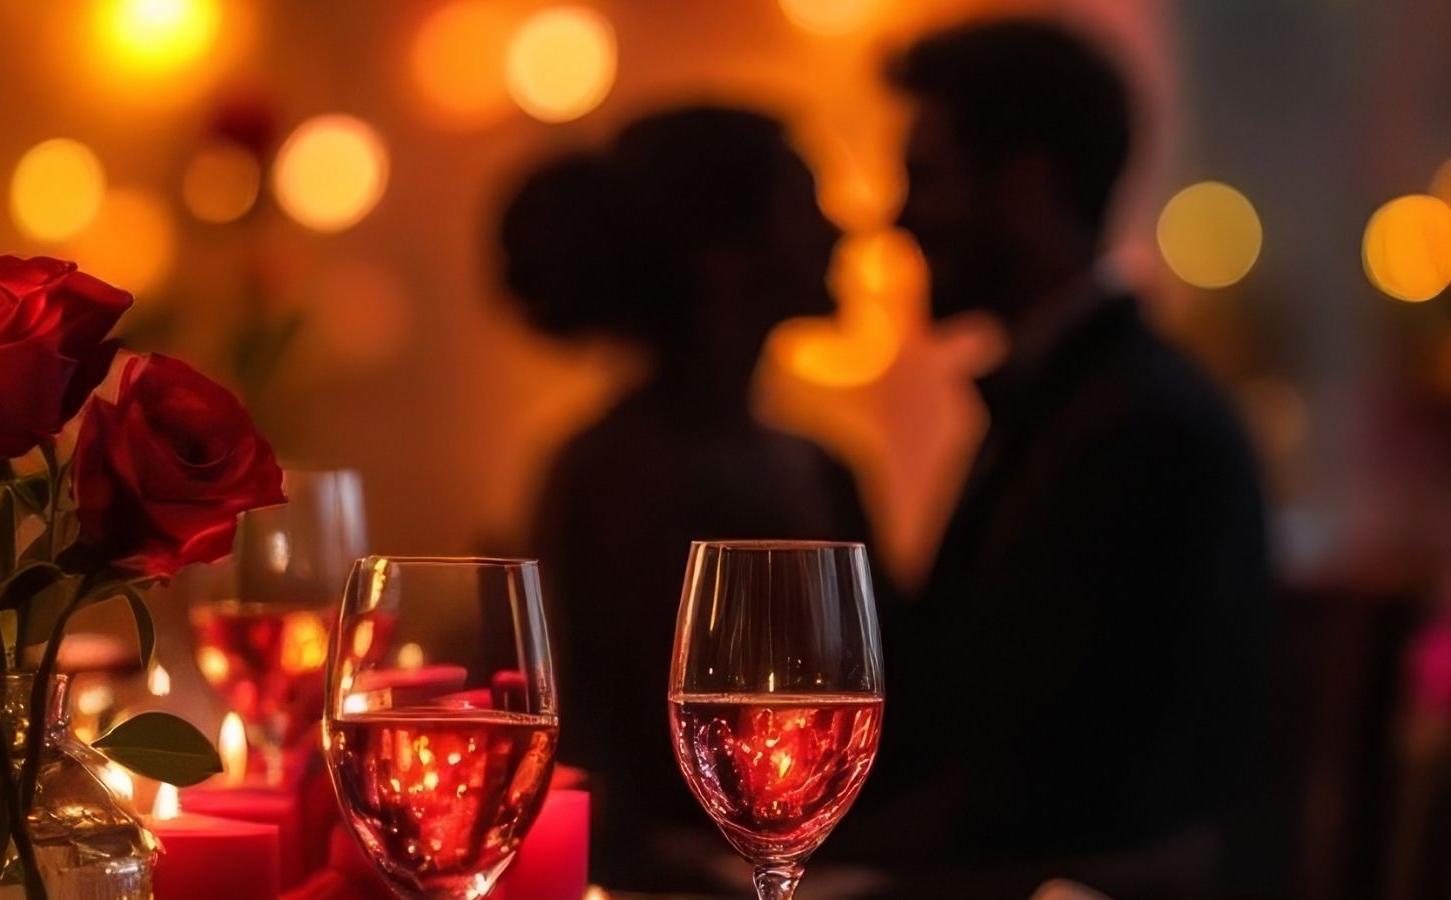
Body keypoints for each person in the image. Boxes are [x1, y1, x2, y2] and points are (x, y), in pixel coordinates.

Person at [853, 18, 1274, 899]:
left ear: (1026, 188)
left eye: (924, 179)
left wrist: (806, 856)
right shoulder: (1095, 402)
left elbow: (1056, 783)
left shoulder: (1143, 431)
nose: (897, 218)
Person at [498, 106, 875, 892]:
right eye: (804, 201)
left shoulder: (825, 468)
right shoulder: (616, 476)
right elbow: (609, 756)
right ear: (722, 256)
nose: (840, 231)